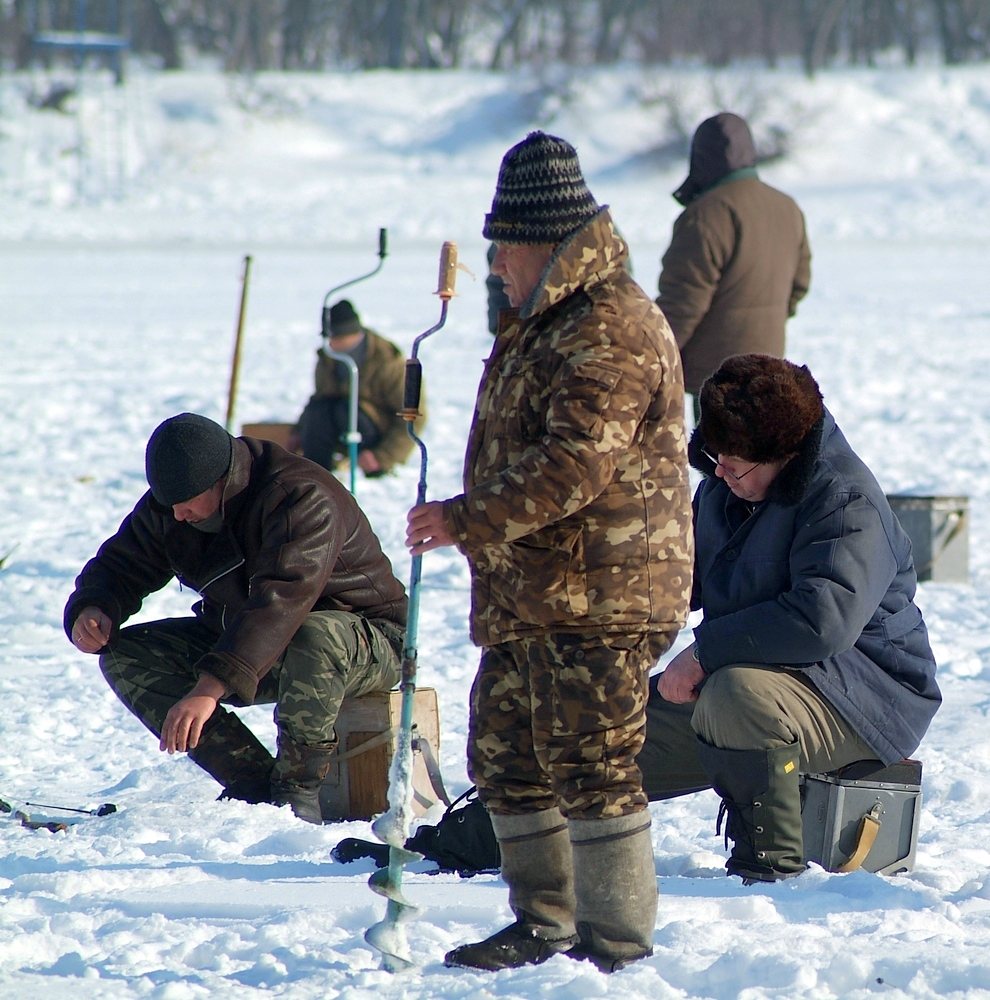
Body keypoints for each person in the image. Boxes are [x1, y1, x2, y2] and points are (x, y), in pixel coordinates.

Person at [406, 131, 694, 973]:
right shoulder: (544, 321)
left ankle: (615, 945)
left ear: (542, 244)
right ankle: (544, 922)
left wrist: (467, 520)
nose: (495, 265)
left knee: (592, 763)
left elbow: (577, 463)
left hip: (603, 590)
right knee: (505, 755)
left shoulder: (611, 326)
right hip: (536, 592)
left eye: (502, 249)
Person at [639, 353, 941, 883]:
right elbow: (680, 575)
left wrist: (706, 652)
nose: (720, 472)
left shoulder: (845, 501)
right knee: (600, 731)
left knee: (736, 695)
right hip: (764, 681)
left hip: (863, 696)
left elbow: (822, 621)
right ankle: (474, 844)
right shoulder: (725, 481)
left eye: (737, 464)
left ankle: (770, 869)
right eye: (715, 458)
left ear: (786, 454)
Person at [64, 412, 407, 824]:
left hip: (367, 641)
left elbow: (280, 602)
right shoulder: (175, 504)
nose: (177, 515)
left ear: (221, 481)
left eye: (187, 503)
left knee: (314, 634)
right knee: (127, 655)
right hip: (252, 640)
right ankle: (255, 786)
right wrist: (94, 606)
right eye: (169, 504)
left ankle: (296, 790)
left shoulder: (300, 495)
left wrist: (209, 687)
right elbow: (123, 562)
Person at [656, 112, 811, 419]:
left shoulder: (706, 215)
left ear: (700, 157)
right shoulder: (787, 207)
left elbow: (683, 303)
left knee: (719, 464)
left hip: (715, 374)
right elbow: (800, 283)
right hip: (768, 363)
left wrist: (653, 359)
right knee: (756, 463)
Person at [289, 299, 425, 477]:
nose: (331, 344)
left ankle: (373, 470)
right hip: (338, 429)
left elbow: (413, 418)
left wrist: (382, 456)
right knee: (320, 411)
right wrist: (299, 432)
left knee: (345, 410)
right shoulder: (328, 358)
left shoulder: (388, 362)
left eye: (336, 338)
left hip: (373, 434)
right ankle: (316, 474)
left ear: (351, 335)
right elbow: (319, 399)